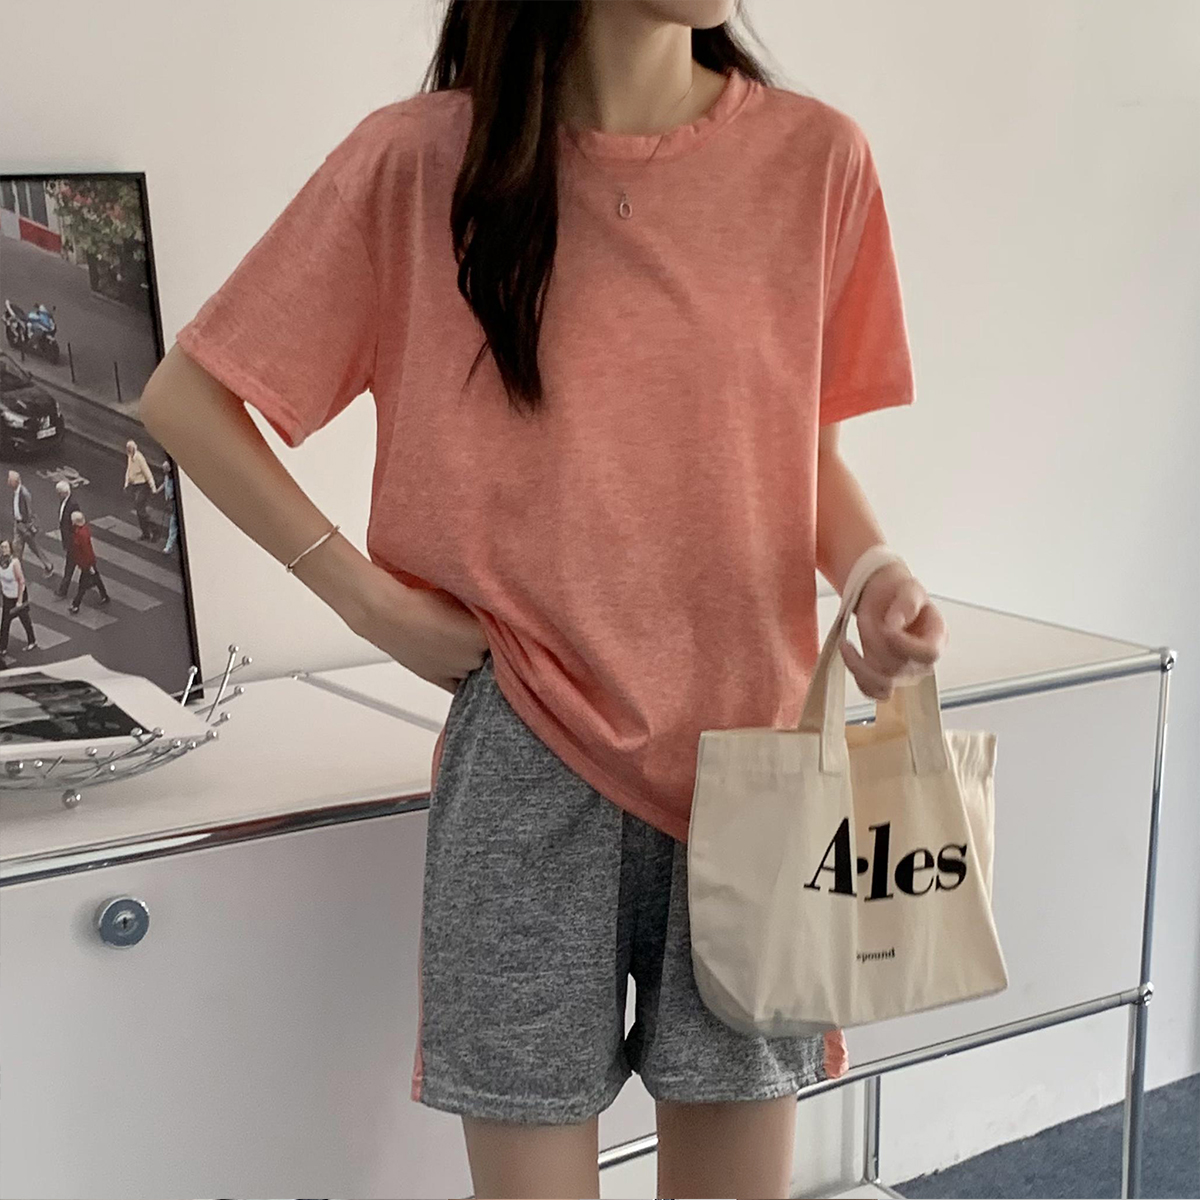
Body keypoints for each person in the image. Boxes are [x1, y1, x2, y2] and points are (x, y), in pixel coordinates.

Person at [141, 4, 948, 1196]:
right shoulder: (418, 164)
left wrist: (874, 575)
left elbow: (795, 449)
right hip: (527, 750)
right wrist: (370, 605)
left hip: (758, 761)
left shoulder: (816, 159)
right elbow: (187, 399)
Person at [8, 470, 55, 576]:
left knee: (33, 547)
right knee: (17, 547)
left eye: (10, 480)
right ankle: (16, 570)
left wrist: (28, 525)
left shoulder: (24, 494)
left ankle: (48, 565)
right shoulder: (16, 491)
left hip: (24, 526)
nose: (8, 482)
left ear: (15, 482)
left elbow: (29, 511)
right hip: (18, 524)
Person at [68, 509, 110, 613]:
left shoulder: (81, 534)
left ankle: (75, 605)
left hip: (86, 563)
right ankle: (104, 596)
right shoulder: (81, 530)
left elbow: (87, 551)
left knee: (82, 585)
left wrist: (90, 564)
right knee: (96, 578)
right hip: (86, 563)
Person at [0, 538, 37, 654]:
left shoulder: (14, 563)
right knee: (5, 623)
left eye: (6, 547)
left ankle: (32, 641)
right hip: (7, 596)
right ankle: (2, 648)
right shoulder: (1, 562)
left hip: (18, 596)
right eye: (2, 547)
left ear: (10, 548)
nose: (4, 549)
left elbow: (21, 581)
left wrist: (20, 600)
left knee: (25, 619)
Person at [123, 438, 158, 540]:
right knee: (139, 511)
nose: (128, 451)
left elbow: (148, 473)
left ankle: (155, 530)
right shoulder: (130, 456)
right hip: (135, 486)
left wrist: (153, 488)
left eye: (130, 449)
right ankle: (146, 533)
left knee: (140, 508)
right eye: (127, 449)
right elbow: (129, 470)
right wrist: (126, 483)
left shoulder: (139, 458)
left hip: (143, 486)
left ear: (134, 448)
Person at [53, 480, 82, 599]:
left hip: (73, 542)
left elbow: (77, 524)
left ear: (64, 493)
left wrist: (72, 542)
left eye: (58, 493)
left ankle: (63, 590)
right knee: (86, 568)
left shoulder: (73, 504)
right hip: (69, 541)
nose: (57, 495)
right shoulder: (65, 501)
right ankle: (99, 587)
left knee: (69, 567)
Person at [160, 459, 178, 554]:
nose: (164, 472)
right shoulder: (167, 476)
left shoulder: (174, 479)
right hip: (171, 502)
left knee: (173, 524)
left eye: (165, 470)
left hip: (174, 503)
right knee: (174, 524)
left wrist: (170, 500)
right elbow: (165, 483)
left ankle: (169, 546)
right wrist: (158, 490)